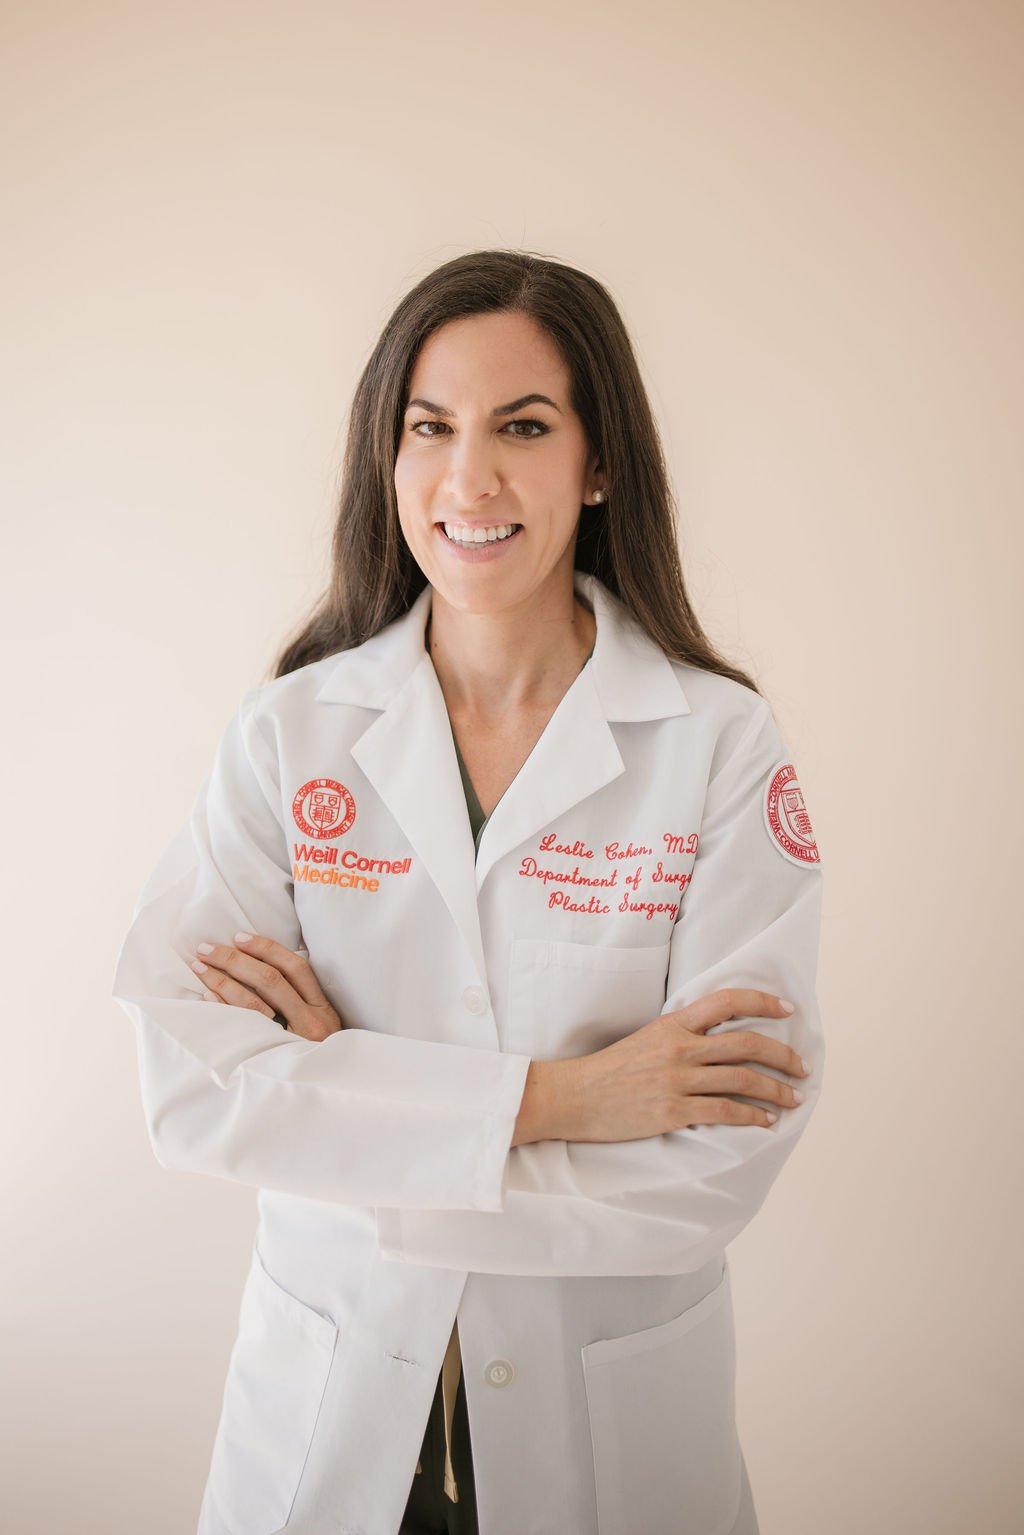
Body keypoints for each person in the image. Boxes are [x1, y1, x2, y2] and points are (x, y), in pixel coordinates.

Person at [111, 248, 825, 1535]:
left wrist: (345, 1105)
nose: (468, 477)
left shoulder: (718, 743)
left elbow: (711, 1168)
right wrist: (568, 1100)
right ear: (385, 462)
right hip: (329, 1420)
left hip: (606, 1434)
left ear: (599, 464)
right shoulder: (291, 735)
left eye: (524, 427)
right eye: (428, 427)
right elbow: (188, 1088)